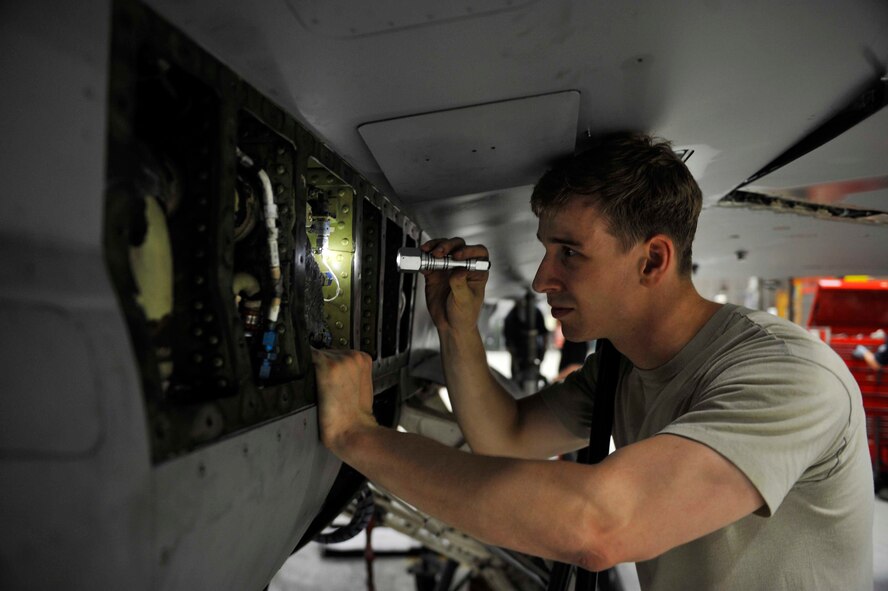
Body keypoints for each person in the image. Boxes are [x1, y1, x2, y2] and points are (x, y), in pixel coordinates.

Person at [311, 133, 873, 590]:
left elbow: (598, 527)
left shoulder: (788, 375)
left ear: (652, 260)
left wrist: (358, 436)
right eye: (546, 250)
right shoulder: (622, 367)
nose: (541, 279)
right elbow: (506, 437)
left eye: (570, 253)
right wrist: (458, 329)